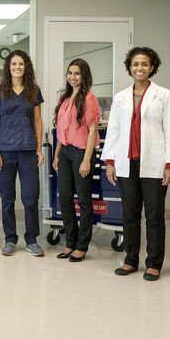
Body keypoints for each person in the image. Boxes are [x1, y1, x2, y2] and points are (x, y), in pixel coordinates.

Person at [101, 47, 170, 282]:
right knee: (130, 215)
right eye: (135, 64)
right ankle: (130, 260)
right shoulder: (121, 97)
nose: (139, 68)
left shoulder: (163, 95)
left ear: (152, 67)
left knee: (155, 215)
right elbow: (114, 130)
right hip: (127, 163)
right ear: (130, 67)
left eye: (144, 64)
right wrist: (110, 162)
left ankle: (154, 263)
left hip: (154, 163)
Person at [0, 50, 45, 257]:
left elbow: (38, 121)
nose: (17, 67)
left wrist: (39, 148)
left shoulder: (34, 90)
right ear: (8, 67)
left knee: (30, 197)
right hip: (5, 151)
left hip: (28, 150)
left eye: (21, 64)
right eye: (13, 64)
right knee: (8, 198)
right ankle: (10, 239)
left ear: (26, 67)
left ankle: (31, 240)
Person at [52, 58, 100, 262]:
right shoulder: (64, 98)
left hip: (82, 154)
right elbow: (61, 131)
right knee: (64, 198)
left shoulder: (89, 98)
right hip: (64, 154)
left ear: (84, 76)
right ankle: (70, 242)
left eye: (77, 73)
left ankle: (82, 245)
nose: (72, 77)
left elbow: (92, 131)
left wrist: (87, 160)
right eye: (70, 73)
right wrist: (56, 155)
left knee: (84, 200)